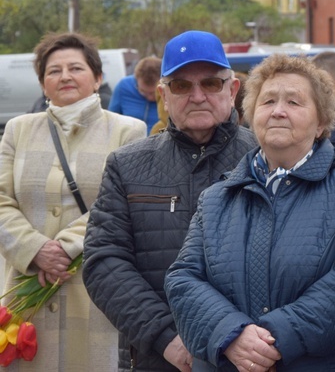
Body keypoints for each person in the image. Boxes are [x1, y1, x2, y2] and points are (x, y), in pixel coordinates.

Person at [164, 54, 335, 371]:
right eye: (268, 101)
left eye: (295, 103)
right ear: (250, 115)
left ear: (321, 122)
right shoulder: (216, 197)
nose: (279, 111)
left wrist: (275, 338)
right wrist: (231, 335)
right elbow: (183, 278)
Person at [83, 30, 258, 371]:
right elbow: (104, 261)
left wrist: (244, 339)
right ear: (163, 94)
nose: (197, 96)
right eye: (181, 86)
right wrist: (167, 339)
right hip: (159, 357)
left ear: (232, 90)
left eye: (210, 83)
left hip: (248, 357)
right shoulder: (127, 165)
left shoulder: (264, 160)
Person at [0, 32, 146, 370]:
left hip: (93, 290)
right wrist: (34, 249)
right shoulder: (18, 129)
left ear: (97, 78)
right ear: (42, 84)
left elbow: (120, 203)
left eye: (76, 68)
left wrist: (64, 247)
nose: (64, 76)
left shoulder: (128, 131)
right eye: (54, 71)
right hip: (26, 287)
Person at [109, 56, 162, 132]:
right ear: (136, 79)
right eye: (143, 91)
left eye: (155, 93)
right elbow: (111, 121)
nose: (150, 98)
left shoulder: (171, 90)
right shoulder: (123, 87)